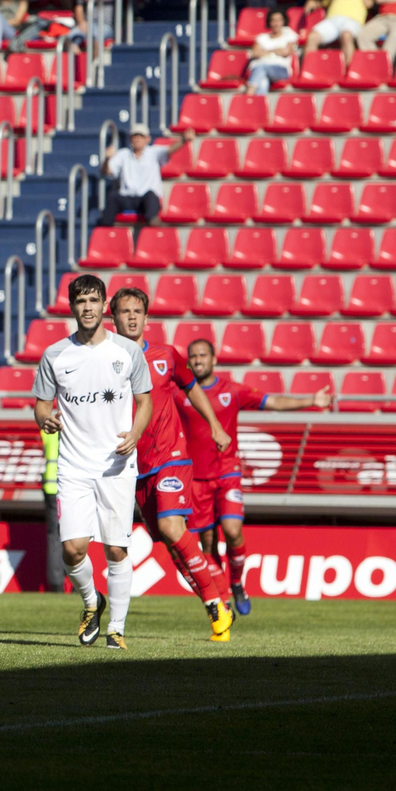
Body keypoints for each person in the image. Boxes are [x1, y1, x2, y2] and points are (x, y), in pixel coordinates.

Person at [106, 287, 235, 643]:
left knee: (171, 527)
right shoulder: (106, 361)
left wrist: (215, 424)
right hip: (135, 466)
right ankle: (216, 602)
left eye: (137, 311)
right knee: (171, 539)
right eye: (125, 311)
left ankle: (217, 603)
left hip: (171, 457)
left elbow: (192, 388)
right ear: (113, 318)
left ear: (146, 318)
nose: (132, 317)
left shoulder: (166, 355)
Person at [31, 273, 153, 650]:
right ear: (72, 307)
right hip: (73, 466)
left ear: (104, 306)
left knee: (116, 550)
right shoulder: (55, 355)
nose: (87, 308)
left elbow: (145, 401)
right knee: (72, 549)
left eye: (93, 300)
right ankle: (91, 601)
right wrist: (45, 419)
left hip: (116, 465)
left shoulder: (127, 352)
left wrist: (135, 433)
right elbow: (41, 405)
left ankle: (116, 628)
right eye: (81, 301)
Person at [178, 338, 332, 617]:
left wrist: (312, 400)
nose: (198, 360)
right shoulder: (181, 394)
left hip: (227, 473)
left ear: (214, 359)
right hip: (196, 480)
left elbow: (273, 401)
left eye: (203, 355)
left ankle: (237, 583)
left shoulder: (231, 391)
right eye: (194, 356)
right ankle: (222, 598)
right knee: (207, 544)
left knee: (232, 530)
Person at [100, 123, 192, 229]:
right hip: (127, 198)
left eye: (141, 136)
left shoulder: (153, 152)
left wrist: (183, 140)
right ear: (130, 139)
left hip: (145, 200)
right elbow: (107, 171)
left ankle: (153, 223)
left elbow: (170, 150)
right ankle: (105, 230)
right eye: (135, 136)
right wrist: (107, 159)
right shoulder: (123, 154)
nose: (138, 139)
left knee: (151, 195)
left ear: (148, 139)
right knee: (112, 197)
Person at [302, 0, 373, 56]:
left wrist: (372, 3)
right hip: (332, 20)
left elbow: (376, 4)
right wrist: (313, 1)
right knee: (312, 37)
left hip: (353, 20)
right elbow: (323, 3)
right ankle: (309, 65)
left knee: (346, 36)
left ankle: (350, 66)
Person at [245, 9, 298, 94]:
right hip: (260, 69)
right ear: (269, 22)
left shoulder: (289, 36)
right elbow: (255, 53)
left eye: (279, 20)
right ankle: (259, 102)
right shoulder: (262, 37)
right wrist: (277, 51)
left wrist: (265, 51)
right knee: (263, 81)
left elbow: (285, 52)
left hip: (281, 69)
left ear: (283, 21)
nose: (276, 23)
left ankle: (249, 95)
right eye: (273, 20)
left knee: (261, 68)